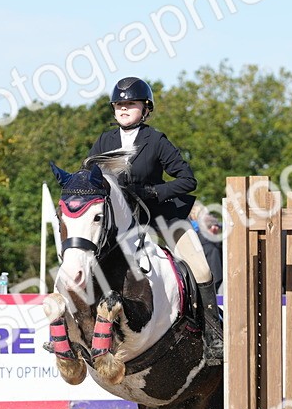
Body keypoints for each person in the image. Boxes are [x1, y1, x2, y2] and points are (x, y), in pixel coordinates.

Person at [88, 77, 221, 359]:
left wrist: (151, 191)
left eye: (130, 104)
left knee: (201, 269)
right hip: (118, 224)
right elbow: (88, 180)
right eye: (118, 105)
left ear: (145, 108)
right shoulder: (105, 141)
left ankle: (213, 333)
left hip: (158, 216)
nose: (123, 109)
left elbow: (187, 180)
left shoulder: (156, 140)